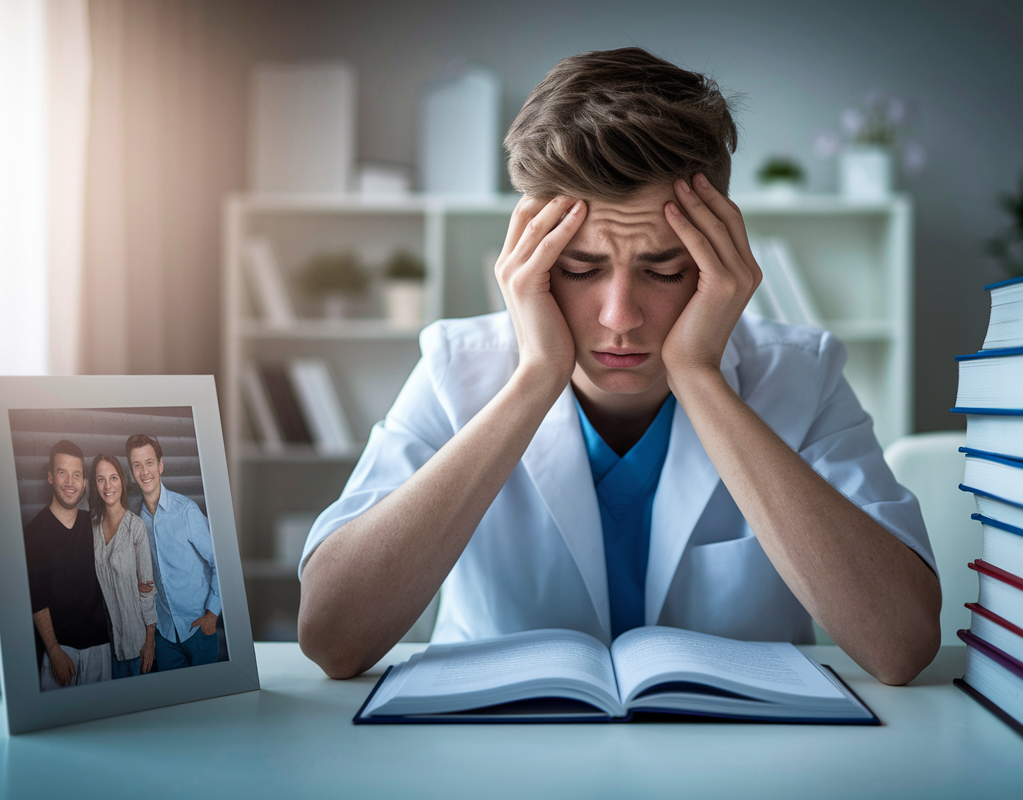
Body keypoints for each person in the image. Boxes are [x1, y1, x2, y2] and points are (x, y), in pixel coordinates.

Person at [297, 48, 941, 684]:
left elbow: (901, 645)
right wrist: (535, 377)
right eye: (580, 269)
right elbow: (331, 636)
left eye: (664, 271)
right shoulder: (454, 367)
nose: (620, 317)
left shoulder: (803, 372)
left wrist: (700, 377)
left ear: (719, 263)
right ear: (528, 259)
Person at [126, 433, 222, 670]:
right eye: (137, 465)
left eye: (149, 463)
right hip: (165, 635)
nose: (144, 471)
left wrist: (213, 613)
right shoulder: (137, 522)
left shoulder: (187, 511)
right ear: (131, 471)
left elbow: (218, 562)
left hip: (199, 629)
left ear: (160, 465)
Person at [25, 440, 112, 690]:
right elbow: (37, 596)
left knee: (103, 724)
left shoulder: (94, 524)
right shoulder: (33, 533)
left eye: (77, 475)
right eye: (63, 473)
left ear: (85, 482)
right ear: (51, 477)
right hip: (60, 650)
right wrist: (54, 651)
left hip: (100, 647)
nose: (70, 483)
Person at [89, 454, 158, 678]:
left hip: (138, 645)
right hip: (107, 646)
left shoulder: (135, 527)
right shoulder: (92, 528)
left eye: (113, 478)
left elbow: (147, 588)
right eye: (101, 479)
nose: (108, 485)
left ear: (122, 481)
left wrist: (149, 641)